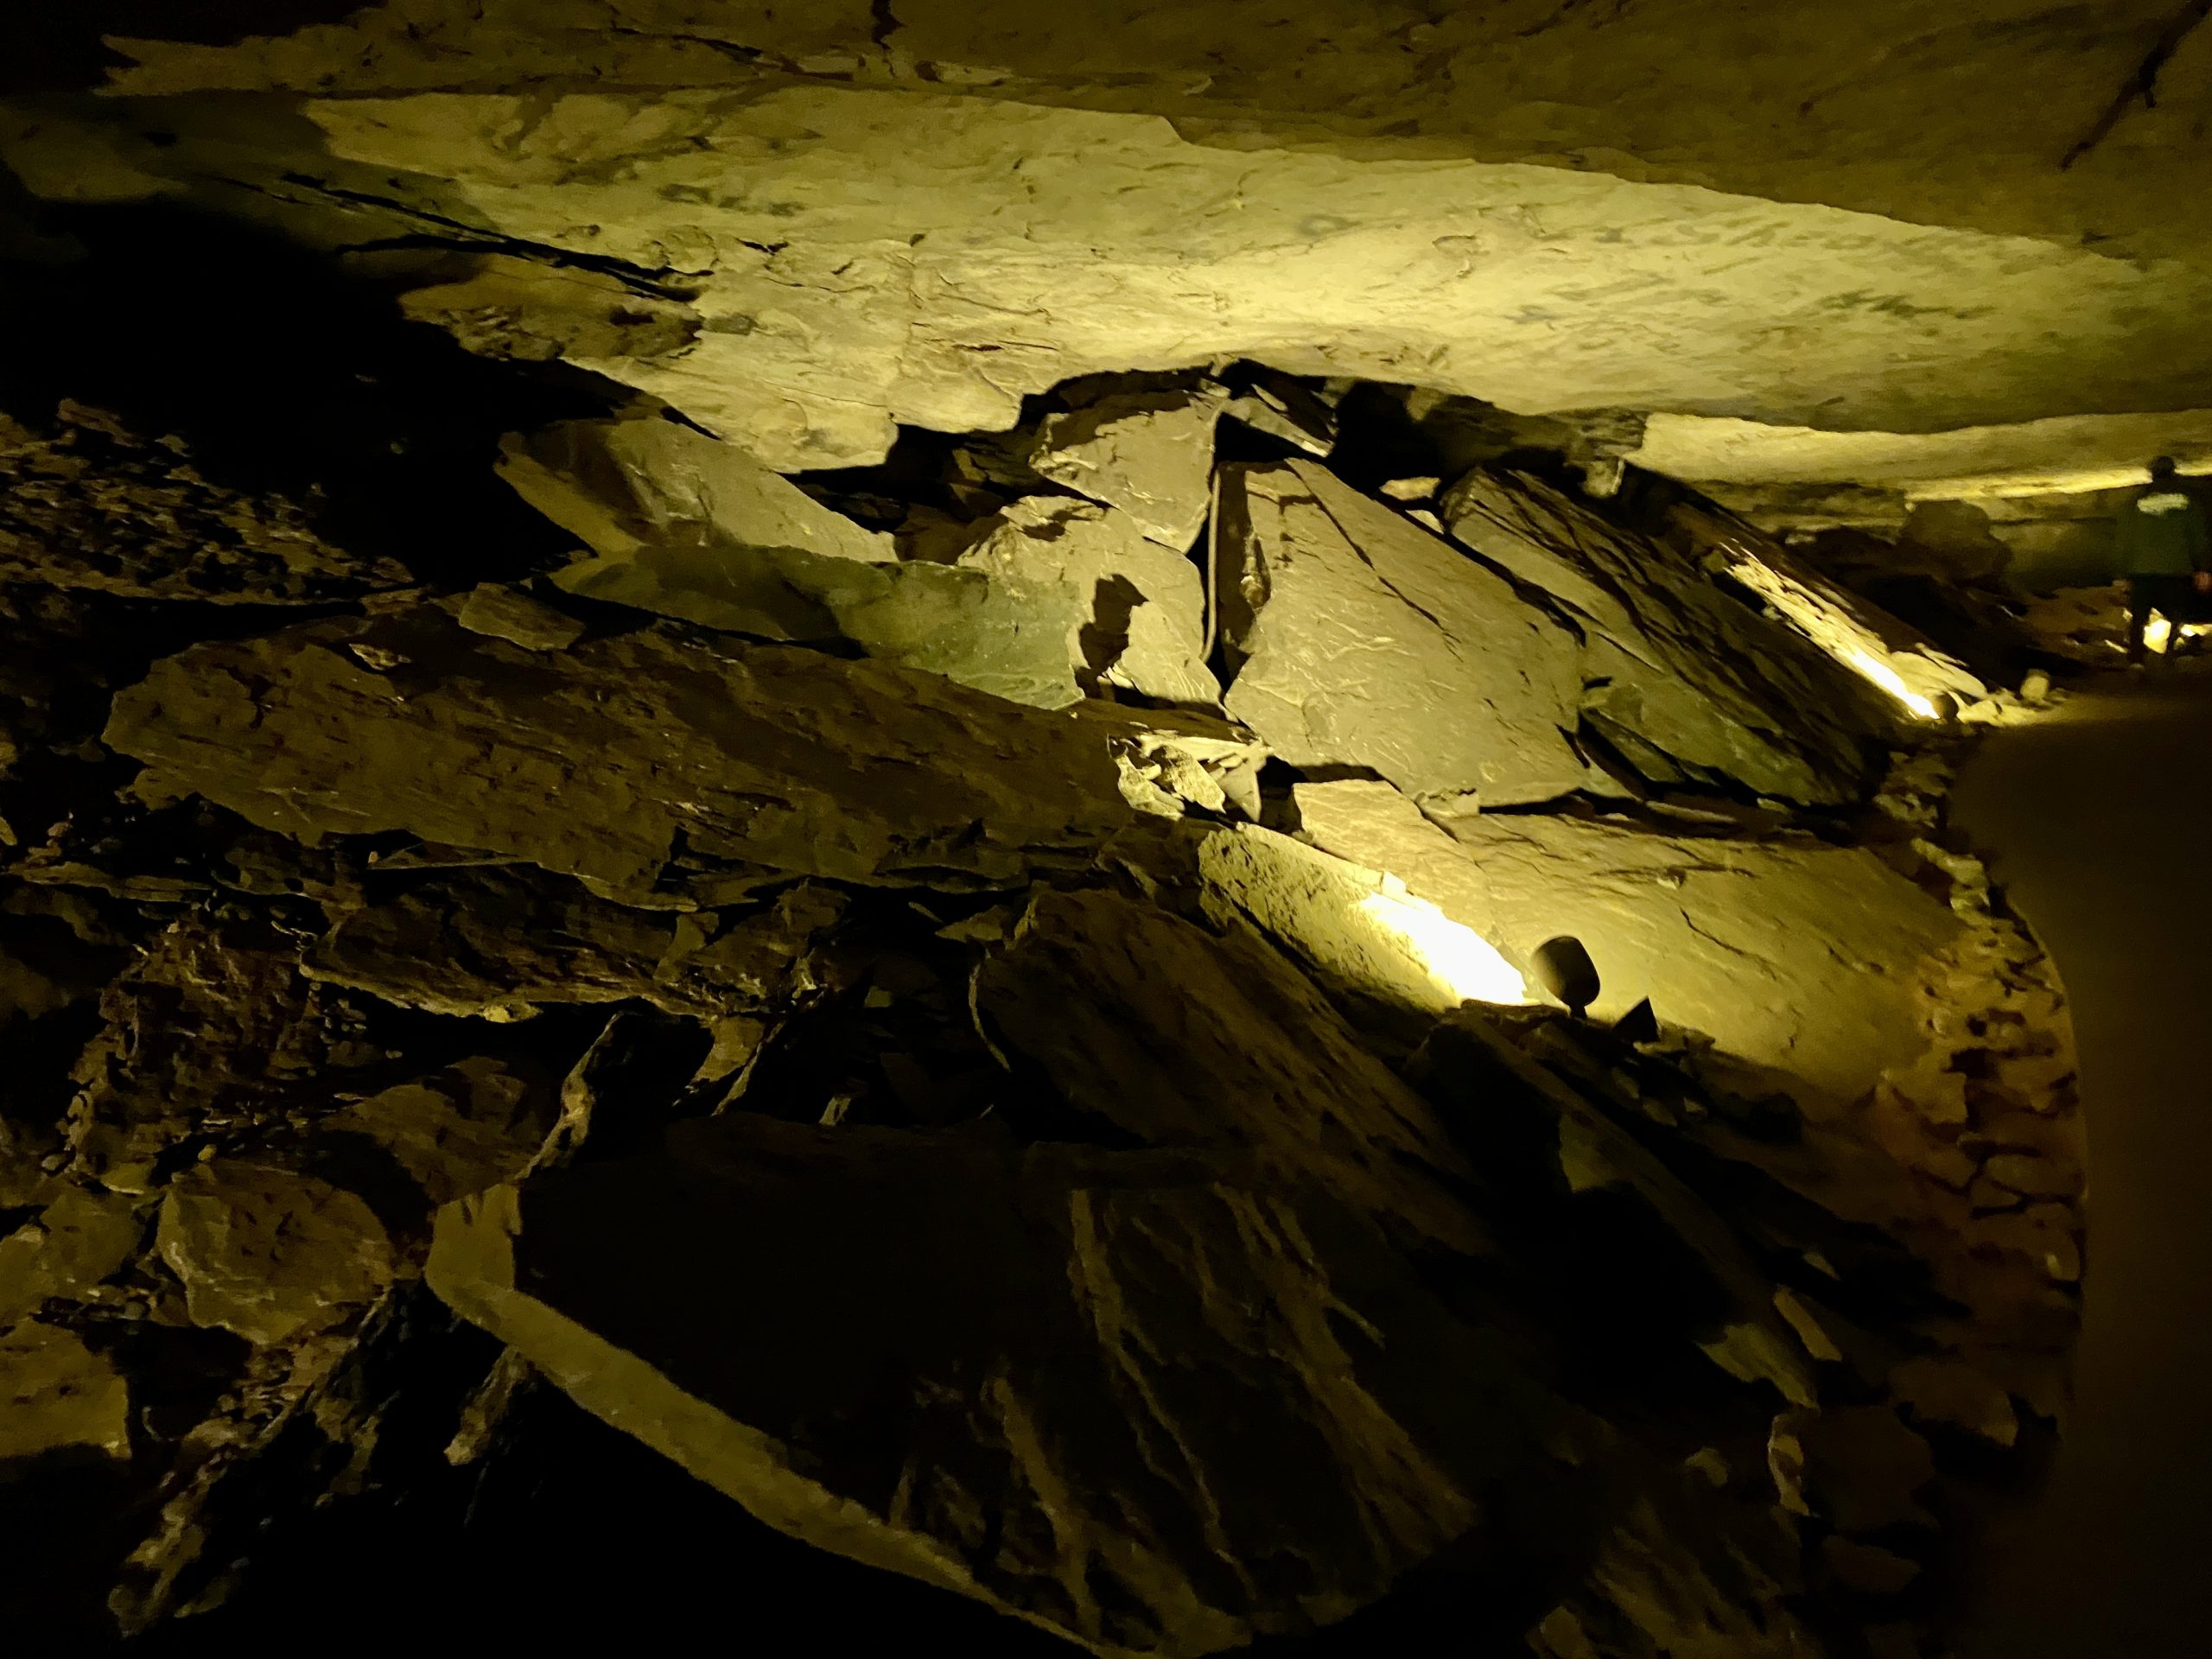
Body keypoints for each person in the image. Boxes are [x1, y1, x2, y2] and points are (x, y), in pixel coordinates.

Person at [2116, 456, 2212, 664]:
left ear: (2152, 474)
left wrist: (2122, 571)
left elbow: (2124, 538)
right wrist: (2203, 568)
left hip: (2141, 570)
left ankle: (2136, 660)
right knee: (2176, 613)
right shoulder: (2188, 502)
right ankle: (2170, 652)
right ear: (2173, 473)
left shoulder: (2135, 503)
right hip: (2176, 569)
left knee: (2139, 617)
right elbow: (2199, 536)